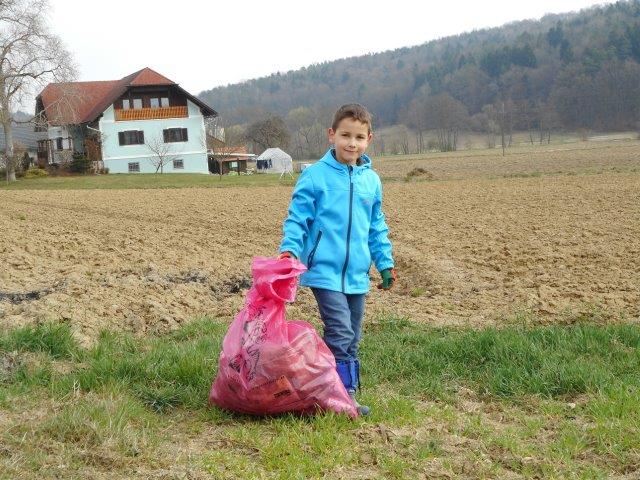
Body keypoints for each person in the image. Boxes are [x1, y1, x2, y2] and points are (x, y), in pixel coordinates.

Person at [278, 103, 396, 416]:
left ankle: (330, 388)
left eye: (358, 137)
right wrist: (290, 249)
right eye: (345, 135)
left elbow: (376, 226)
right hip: (324, 271)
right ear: (332, 135)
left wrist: (384, 263)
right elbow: (297, 218)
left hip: (357, 274)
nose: (351, 143)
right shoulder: (315, 177)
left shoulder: (371, 181)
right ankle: (344, 397)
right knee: (340, 332)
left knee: (352, 337)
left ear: (369, 139)